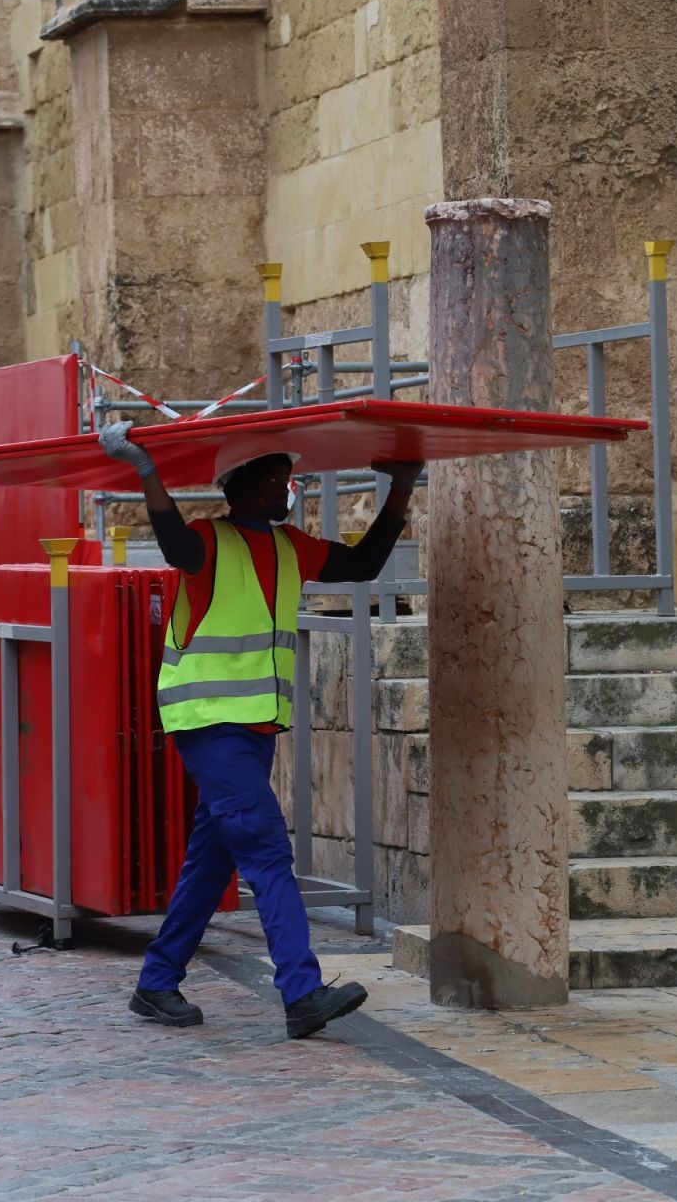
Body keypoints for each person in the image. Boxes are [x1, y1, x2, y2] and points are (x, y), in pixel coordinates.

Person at [100, 419, 422, 1039]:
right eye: (276, 480)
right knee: (269, 850)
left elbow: (362, 564)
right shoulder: (205, 540)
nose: (287, 488)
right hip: (207, 721)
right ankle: (301, 992)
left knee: (211, 860)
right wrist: (145, 469)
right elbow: (171, 545)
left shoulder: (289, 545)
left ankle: (156, 982)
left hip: (252, 727)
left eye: (287, 479)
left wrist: (402, 489)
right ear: (244, 486)